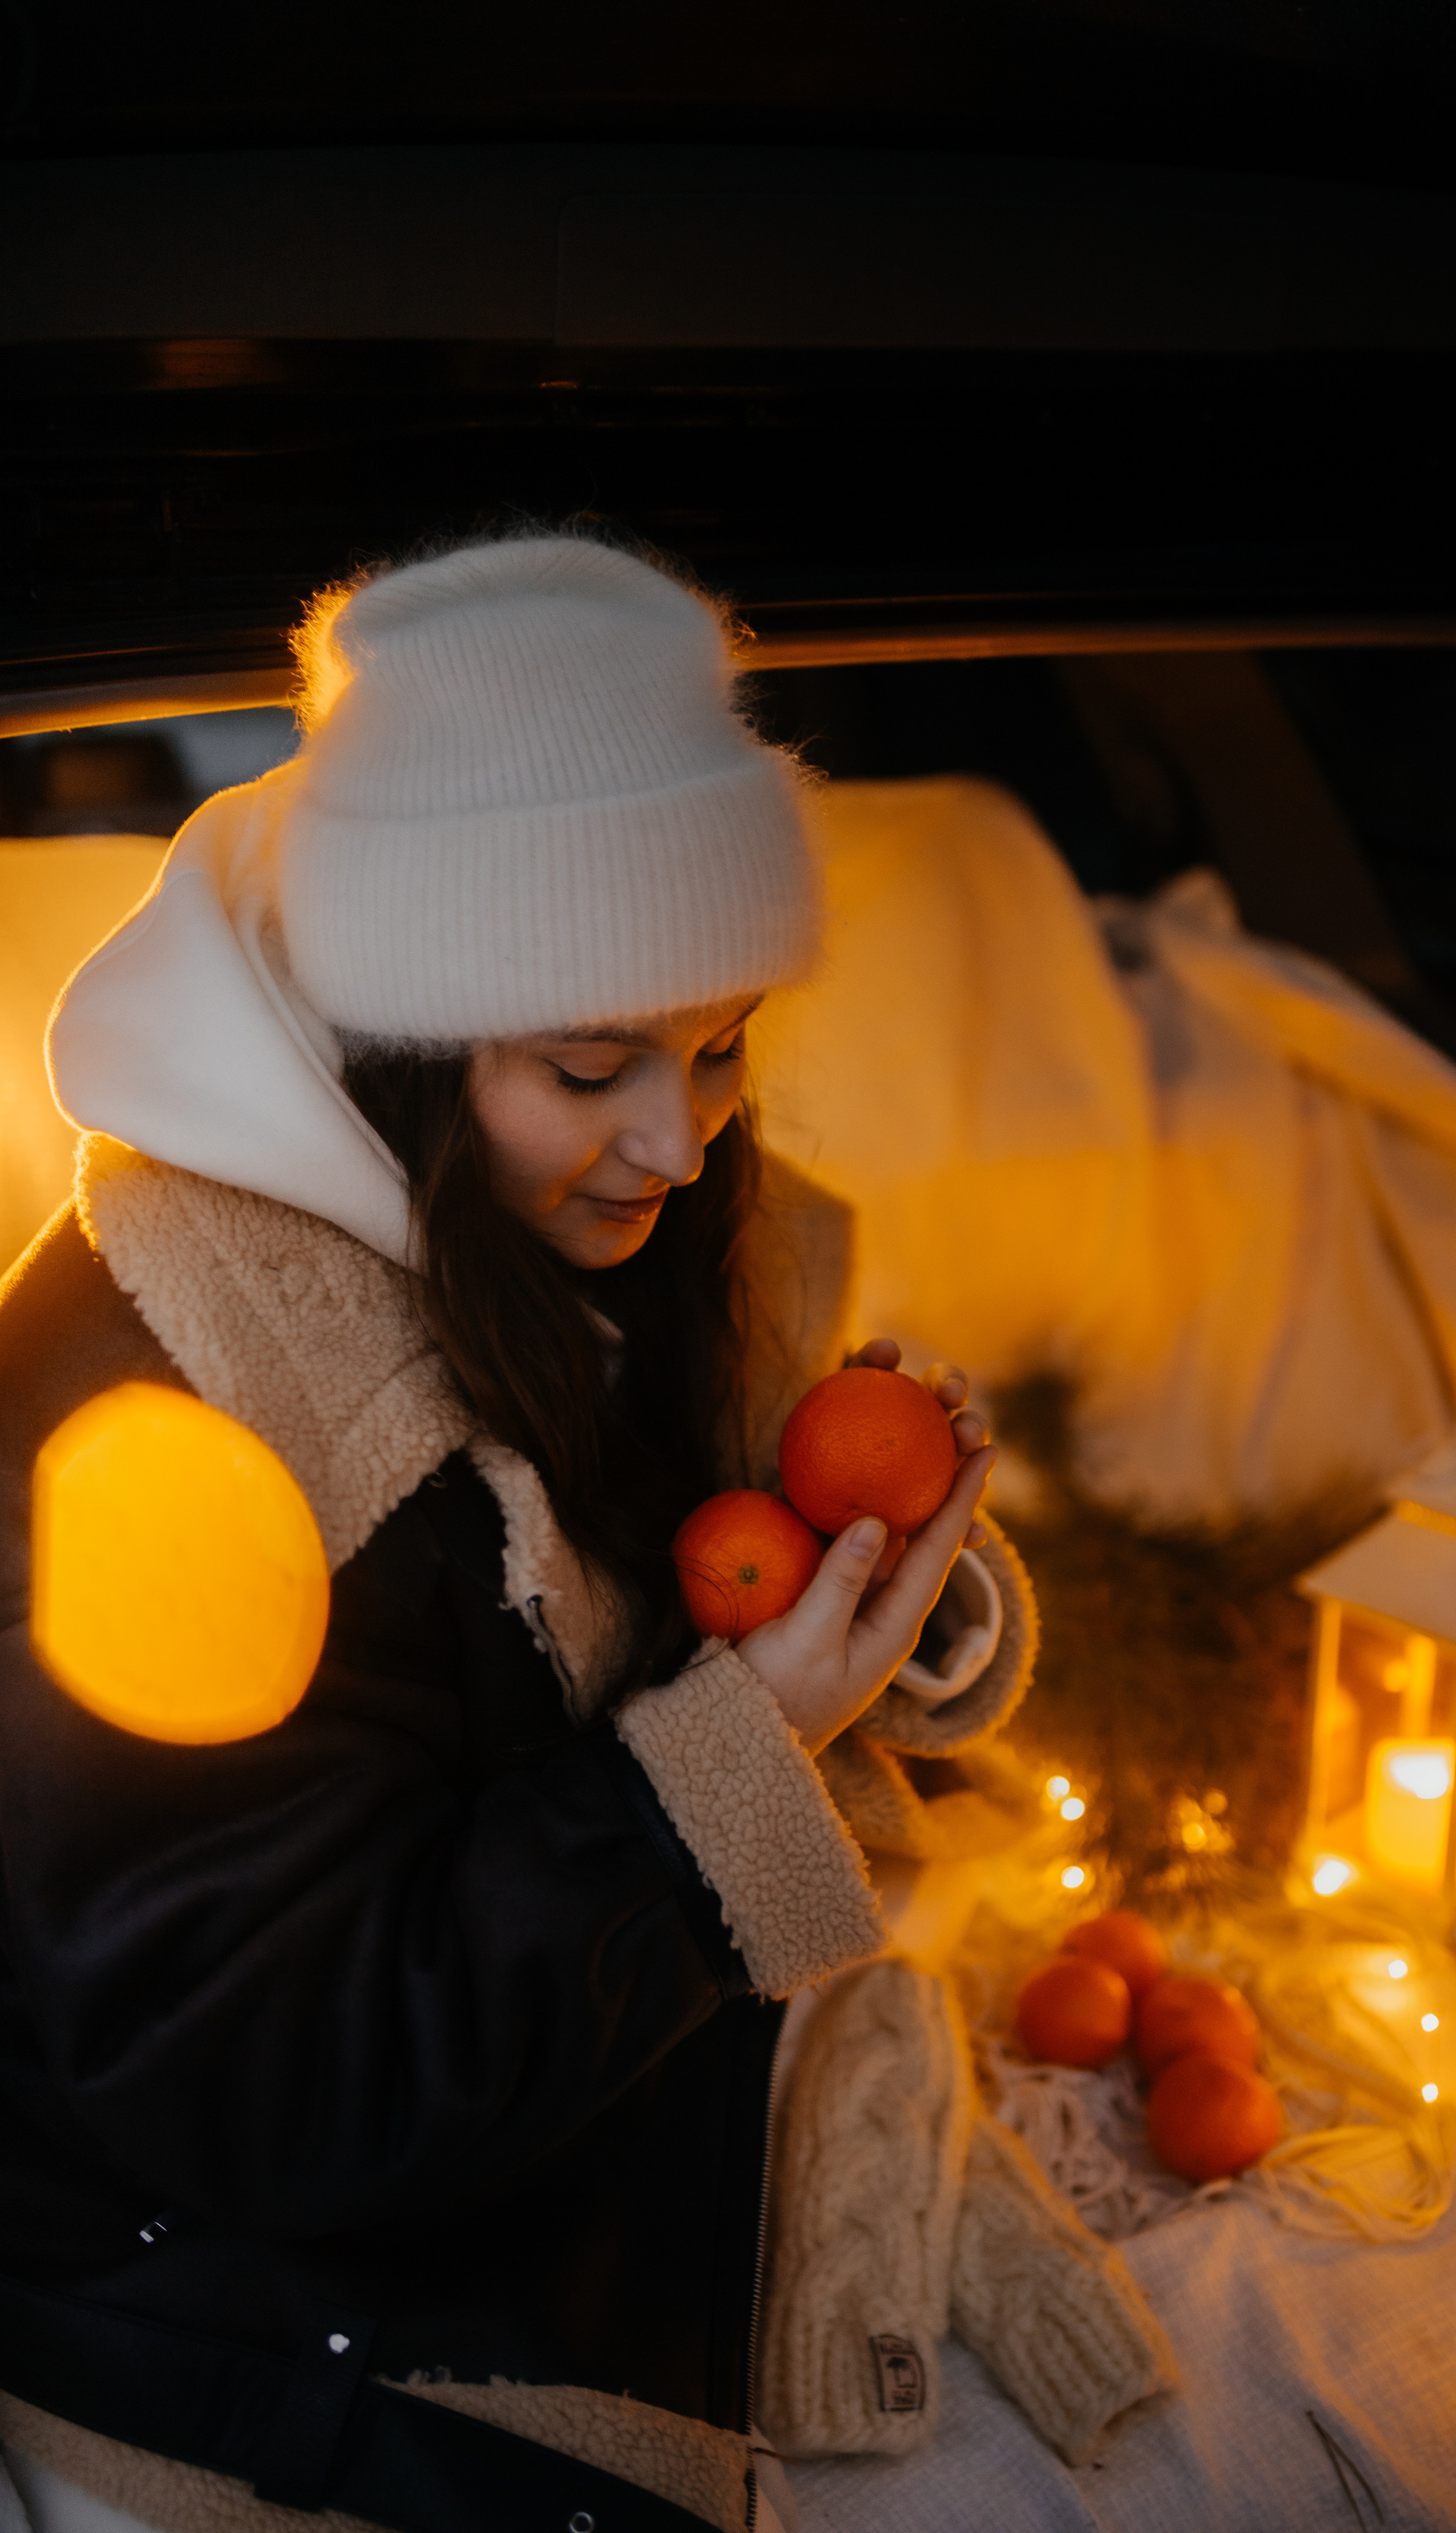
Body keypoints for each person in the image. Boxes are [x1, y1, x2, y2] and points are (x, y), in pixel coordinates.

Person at [0, 534, 1032, 2533]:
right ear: (404, 1040)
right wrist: (738, 1762)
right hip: (231, 2304)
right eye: (589, 1066)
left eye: (723, 1041)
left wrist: (883, 1597)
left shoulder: (556, 1211)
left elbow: (643, 1576)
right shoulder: (168, 1427)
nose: (681, 1140)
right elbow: (270, 2075)